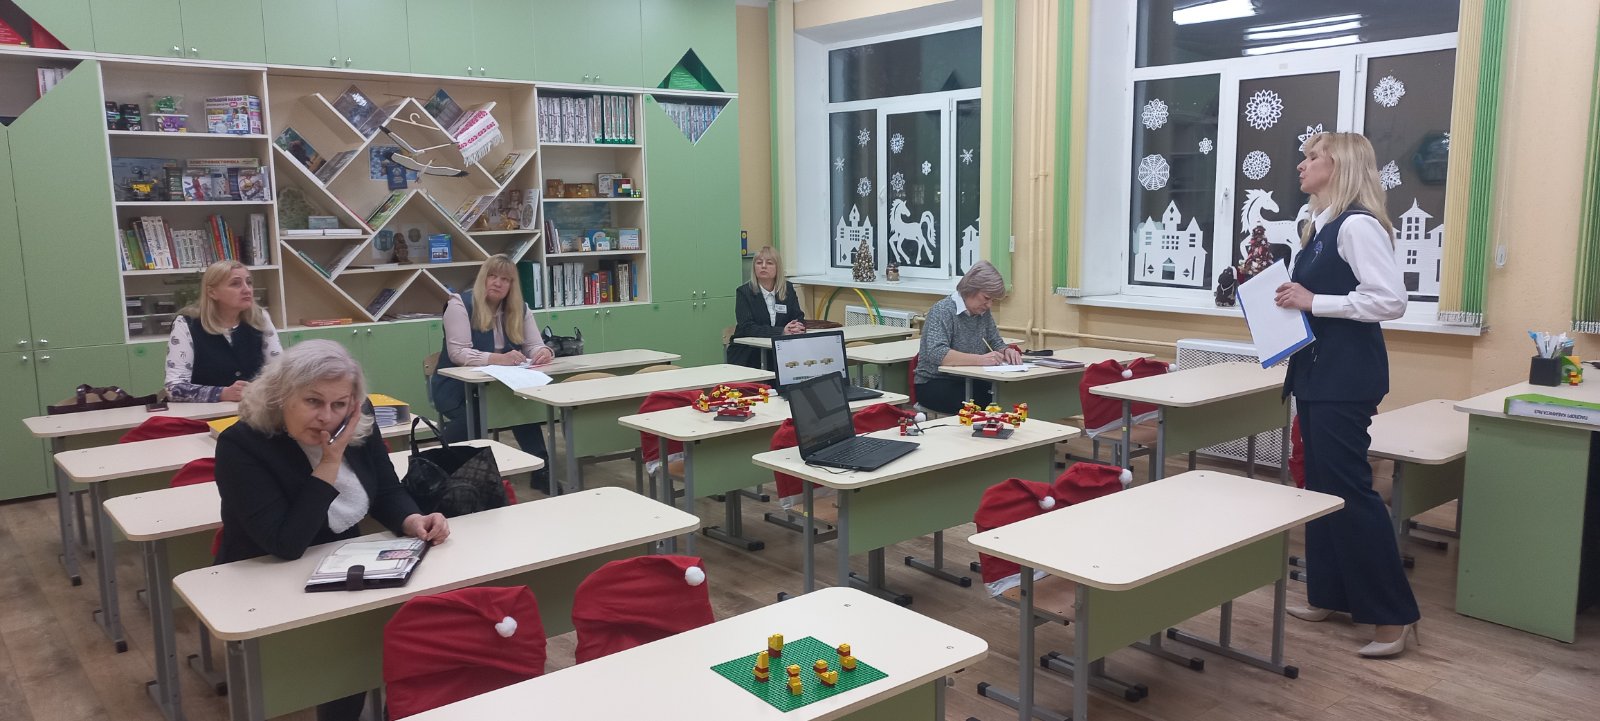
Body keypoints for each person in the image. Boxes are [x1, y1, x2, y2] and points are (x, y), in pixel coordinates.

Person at [214, 340, 449, 721]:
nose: (327, 417)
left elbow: (385, 489)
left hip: (339, 564)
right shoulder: (241, 445)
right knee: (334, 661)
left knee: (365, 653)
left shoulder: (357, 418)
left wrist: (412, 520)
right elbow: (286, 543)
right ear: (281, 396)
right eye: (313, 401)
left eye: (339, 404)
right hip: (263, 579)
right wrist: (329, 462)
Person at [1274, 131, 1419, 658]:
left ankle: (1393, 616)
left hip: (1344, 379)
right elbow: (1314, 299)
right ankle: (1329, 593)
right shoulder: (1320, 225)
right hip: (1318, 374)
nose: (1302, 164)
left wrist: (1314, 301)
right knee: (1320, 489)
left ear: (1341, 166)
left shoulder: (1357, 224)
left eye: (1313, 157)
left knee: (1350, 491)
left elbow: (1390, 300)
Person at [429, 255, 554, 492]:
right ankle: (446, 468)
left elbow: (534, 345)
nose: (497, 283)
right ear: (483, 278)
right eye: (492, 276)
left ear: (511, 286)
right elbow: (458, 353)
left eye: (505, 279)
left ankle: (541, 468)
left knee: (521, 409)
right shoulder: (459, 304)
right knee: (476, 417)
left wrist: (544, 352)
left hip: (500, 388)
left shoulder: (520, 309)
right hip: (456, 389)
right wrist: (498, 359)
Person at [165, 260, 282, 403]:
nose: (247, 289)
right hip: (205, 412)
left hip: (252, 409)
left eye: (249, 282)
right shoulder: (186, 324)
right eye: (235, 284)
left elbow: (279, 374)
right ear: (212, 292)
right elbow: (174, 388)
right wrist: (221, 393)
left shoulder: (260, 318)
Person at [913, 260, 1021, 414]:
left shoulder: (982, 312)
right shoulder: (942, 310)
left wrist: (1006, 351)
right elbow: (938, 353)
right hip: (935, 382)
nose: (989, 305)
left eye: (993, 300)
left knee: (1008, 394)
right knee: (989, 401)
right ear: (971, 289)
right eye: (986, 298)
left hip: (969, 379)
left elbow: (995, 341)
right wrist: (981, 359)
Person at [727, 245, 806, 368]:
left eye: (769, 263)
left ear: (777, 268)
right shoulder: (744, 292)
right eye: (759, 263)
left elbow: (798, 316)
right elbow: (747, 327)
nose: (763, 266)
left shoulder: (788, 289)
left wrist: (796, 327)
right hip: (749, 353)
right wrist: (781, 331)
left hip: (780, 350)